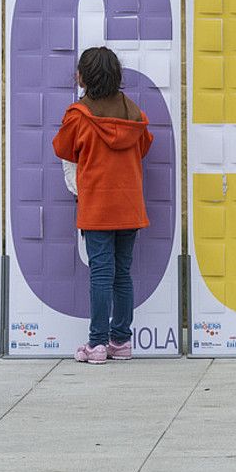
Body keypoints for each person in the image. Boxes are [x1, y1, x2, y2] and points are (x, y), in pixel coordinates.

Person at [52, 47, 153, 364]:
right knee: (122, 274)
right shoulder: (134, 112)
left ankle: (96, 345)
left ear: (82, 77)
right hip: (130, 206)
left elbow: (62, 148)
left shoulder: (77, 116)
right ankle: (121, 342)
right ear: (117, 76)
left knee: (100, 275)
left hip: (97, 207)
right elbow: (144, 147)